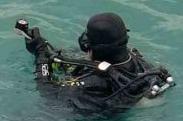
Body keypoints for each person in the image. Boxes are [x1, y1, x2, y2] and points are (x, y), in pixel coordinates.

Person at [16, 12, 174, 113]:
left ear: (89, 45)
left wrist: (40, 56)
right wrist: (44, 47)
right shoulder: (138, 62)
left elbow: (48, 93)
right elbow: (78, 60)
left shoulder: (93, 82)